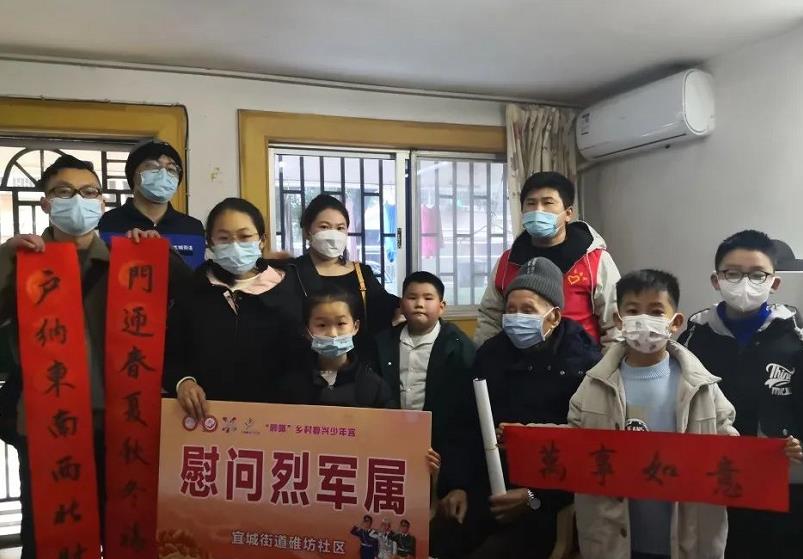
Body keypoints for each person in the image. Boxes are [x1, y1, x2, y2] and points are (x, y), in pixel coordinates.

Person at [0, 155, 190, 558]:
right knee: (51, 537)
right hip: (46, 425)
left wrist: (159, 254)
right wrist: (4, 258)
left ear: (102, 203)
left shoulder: (129, 261)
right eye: (64, 192)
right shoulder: (19, 262)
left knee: (128, 531)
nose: (78, 200)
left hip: (121, 424)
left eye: (89, 192)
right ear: (46, 203)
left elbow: (192, 303)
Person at [569, 270, 795, 559]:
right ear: (618, 320)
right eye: (633, 311)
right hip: (612, 539)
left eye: (655, 311)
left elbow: (729, 446)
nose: (643, 320)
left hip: (689, 537)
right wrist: (524, 436)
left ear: (675, 322)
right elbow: (570, 445)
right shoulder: (594, 385)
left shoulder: (702, 387)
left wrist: (772, 454)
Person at [678, 230, 803, 559]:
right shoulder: (693, 338)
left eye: (757, 274)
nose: (745, 283)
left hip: (779, 480)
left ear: (774, 282)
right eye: (732, 273)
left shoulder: (796, 338)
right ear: (716, 280)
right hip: (712, 476)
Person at [470, 257, 602, 559]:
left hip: (549, 501)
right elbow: (465, 423)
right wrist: (457, 486)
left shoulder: (584, 364)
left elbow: (587, 449)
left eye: (528, 310)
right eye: (511, 309)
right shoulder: (490, 355)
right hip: (487, 486)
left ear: (554, 316)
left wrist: (533, 497)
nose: (516, 318)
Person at [164, 197, 307, 420]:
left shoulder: (290, 289)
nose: (235, 246)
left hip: (275, 420)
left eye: (244, 236)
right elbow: (171, 354)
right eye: (224, 238)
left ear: (261, 240)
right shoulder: (193, 290)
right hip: (205, 420)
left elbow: (303, 361)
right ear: (210, 243)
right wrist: (183, 382)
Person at [374, 272, 479, 557]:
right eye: (412, 297)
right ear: (401, 304)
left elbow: (465, 420)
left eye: (428, 298)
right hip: (392, 445)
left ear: (442, 307)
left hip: (439, 447)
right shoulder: (382, 342)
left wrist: (456, 479)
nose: (419, 303)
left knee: (432, 525)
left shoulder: (459, 347)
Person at [475, 171, 620, 348]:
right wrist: (486, 358)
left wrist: (603, 366)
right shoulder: (507, 262)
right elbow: (490, 319)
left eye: (548, 203)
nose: (538, 210)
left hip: (580, 361)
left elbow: (615, 326)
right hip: (515, 362)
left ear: (568, 213)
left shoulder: (595, 261)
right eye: (531, 203)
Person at [295, 194, 400, 361]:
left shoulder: (361, 273)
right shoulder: (292, 272)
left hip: (357, 364)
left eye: (340, 228)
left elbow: (385, 306)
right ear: (308, 231)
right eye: (324, 227)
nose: (333, 234)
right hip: (304, 364)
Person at [98, 139, 206, 268]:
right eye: (153, 166)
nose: (163, 174)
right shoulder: (107, 223)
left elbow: (197, 276)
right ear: (133, 175)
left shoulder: (192, 228)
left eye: (171, 169)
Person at [284, 285, 395, 408]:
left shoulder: (374, 387)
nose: (333, 334)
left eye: (341, 323)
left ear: (355, 327)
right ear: (307, 331)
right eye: (322, 325)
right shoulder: (291, 385)